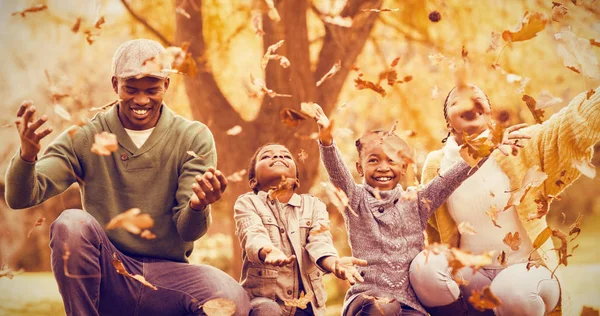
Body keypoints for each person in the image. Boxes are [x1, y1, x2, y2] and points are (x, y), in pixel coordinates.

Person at [5, 39, 250, 316]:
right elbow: (20, 197)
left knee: (231, 300)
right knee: (71, 223)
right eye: (130, 89)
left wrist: (198, 205)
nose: (142, 99)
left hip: (168, 277)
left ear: (166, 86)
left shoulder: (193, 137)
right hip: (110, 273)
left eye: (152, 89)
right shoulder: (84, 136)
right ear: (115, 85)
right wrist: (27, 156)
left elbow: (189, 231)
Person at [313, 104, 528, 315]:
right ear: (360, 168)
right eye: (373, 160)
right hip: (367, 298)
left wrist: (488, 145)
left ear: (404, 166)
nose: (383, 167)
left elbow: (451, 178)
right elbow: (338, 175)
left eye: (391, 160)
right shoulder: (355, 200)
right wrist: (326, 142)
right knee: (384, 307)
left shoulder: (416, 201)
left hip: (409, 304)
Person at [409, 84, 600, 315]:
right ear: (448, 122)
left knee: (510, 292)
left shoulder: (521, 143)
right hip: (472, 275)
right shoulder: (435, 164)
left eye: (477, 99)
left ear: (489, 114)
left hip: (527, 271)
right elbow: (428, 222)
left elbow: (568, 126)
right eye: (458, 101)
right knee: (424, 269)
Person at [234, 143, 367, 316]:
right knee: (268, 309)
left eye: (286, 156)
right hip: (265, 301)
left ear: (296, 180)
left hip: (307, 306)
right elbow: (252, 233)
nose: (278, 157)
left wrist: (333, 263)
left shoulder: (313, 205)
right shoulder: (248, 203)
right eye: (266, 156)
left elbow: (319, 242)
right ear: (253, 181)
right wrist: (267, 251)